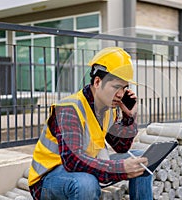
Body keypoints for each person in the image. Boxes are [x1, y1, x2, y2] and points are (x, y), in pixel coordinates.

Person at [28, 47, 153, 200]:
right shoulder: (69, 109)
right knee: (86, 183)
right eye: (116, 87)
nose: (121, 94)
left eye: (124, 88)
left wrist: (129, 117)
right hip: (49, 180)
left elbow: (122, 147)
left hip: (85, 169)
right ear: (97, 82)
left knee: (143, 159)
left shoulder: (109, 109)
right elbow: (72, 160)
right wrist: (120, 168)